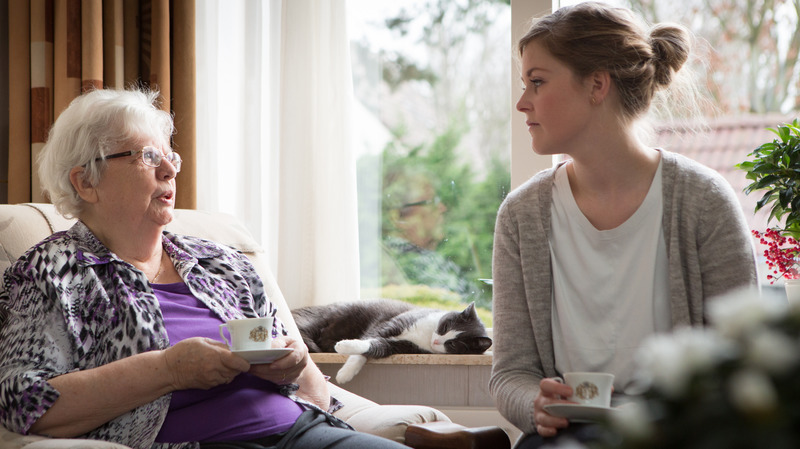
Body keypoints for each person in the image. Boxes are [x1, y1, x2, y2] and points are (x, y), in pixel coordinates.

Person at [0, 88, 407, 449]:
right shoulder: (51, 272)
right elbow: (23, 403)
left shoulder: (223, 262)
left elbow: (312, 390)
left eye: (169, 156)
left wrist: (296, 361)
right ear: (86, 181)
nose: (170, 169)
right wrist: (167, 370)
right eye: (147, 156)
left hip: (303, 430)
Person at [489, 3, 758, 448]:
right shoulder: (521, 216)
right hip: (569, 436)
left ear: (597, 85)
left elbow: (743, 361)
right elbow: (511, 373)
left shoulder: (703, 202)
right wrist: (533, 403)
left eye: (537, 82)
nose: (522, 102)